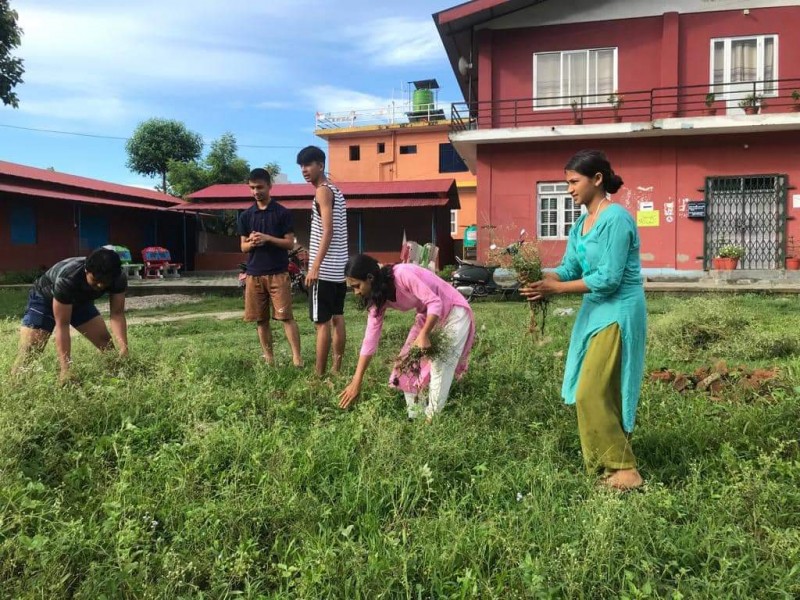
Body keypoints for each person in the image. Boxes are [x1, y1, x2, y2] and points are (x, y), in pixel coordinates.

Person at [521, 149, 646, 491]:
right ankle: (605, 462)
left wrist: (556, 290)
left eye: (574, 182)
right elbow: (570, 268)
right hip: (594, 310)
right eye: (566, 183)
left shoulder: (616, 219)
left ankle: (625, 469)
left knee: (593, 388)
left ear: (597, 179)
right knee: (588, 388)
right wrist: (541, 277)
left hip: (619, 309)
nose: (569, 189)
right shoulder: (580, 225)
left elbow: (609, 278)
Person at [338, 255, 475, 420]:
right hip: (427, 316)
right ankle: (415, 416)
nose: (356, 292)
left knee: (440, 365)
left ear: (370, 278)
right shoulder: (377, 299)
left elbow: (435, 302)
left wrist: (424, 334)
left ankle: (432, 420)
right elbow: (370, 340)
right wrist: (357, 380)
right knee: (405, 365)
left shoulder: (403, 274)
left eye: (357, 286)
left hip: (454, 311)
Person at [12, 247, 129, 384]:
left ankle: (118, 380)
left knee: (106, 344)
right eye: (96, 279)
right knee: (30, 351)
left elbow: (117, 314)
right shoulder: (68, 277)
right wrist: (66, 368)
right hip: (44, 299)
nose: (100, 285)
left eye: (105, 281)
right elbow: (63, 325)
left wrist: (124, 348)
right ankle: (15, 386)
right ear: (87, 271)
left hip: (79, 302)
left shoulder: (117, 278)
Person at [238, 167, 303, 367]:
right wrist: (252, 243)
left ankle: (297, 358)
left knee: (286, 317)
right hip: (254, 274)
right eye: (252, 188)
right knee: (260, 319)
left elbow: (290, 244)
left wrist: (267, 238)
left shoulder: (282, 213)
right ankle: (269, 358)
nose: (256, 191)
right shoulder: (246, 216)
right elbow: (243, 247)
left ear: (269, 187)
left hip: (278, 273)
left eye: (260, 187)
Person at [297, 145, 349, 376]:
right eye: (301, 166)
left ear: (321, 165)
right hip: (339, 270)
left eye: (308, 164)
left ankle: (319, 375)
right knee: (337, 319)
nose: (304, 170)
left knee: (322, 324)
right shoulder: (337, 191)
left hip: (325, 270)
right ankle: (336, 371)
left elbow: (327, 231)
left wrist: (314, 267)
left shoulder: (322, 191)